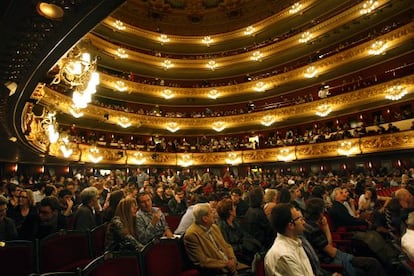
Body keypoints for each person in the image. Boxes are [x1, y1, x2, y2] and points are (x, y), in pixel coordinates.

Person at [304, 197, 386, 276]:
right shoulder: (313, 230)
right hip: (332, 261)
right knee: (372, 264)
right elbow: (331, 251)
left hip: (334, 256)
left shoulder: (310, 226)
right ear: (320, 213)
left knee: (372, 262)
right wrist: (326, 227)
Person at [183, 203, 249, 275]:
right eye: (211, 212)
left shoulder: (214, 227)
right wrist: (227, 264)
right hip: (218, 270)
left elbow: (226, 246)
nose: (215, 213)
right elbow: (203, 261)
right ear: (205, 219)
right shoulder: (191, 235)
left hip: (232, 264)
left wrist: (232, 259)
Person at [264, 203, 314, 275]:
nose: (304, 222)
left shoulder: (296, 242)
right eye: (300, 219)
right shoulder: (284, 255)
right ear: (291, 225)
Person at [216, 198, 262, 264]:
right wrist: (243, 246)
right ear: (230, 211)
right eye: (233, 207)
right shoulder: (221, 226)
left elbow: (243, 234)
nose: (235, 208)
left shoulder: (235, 221)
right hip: (236, 254)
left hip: (243, 248)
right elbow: (226, 246)